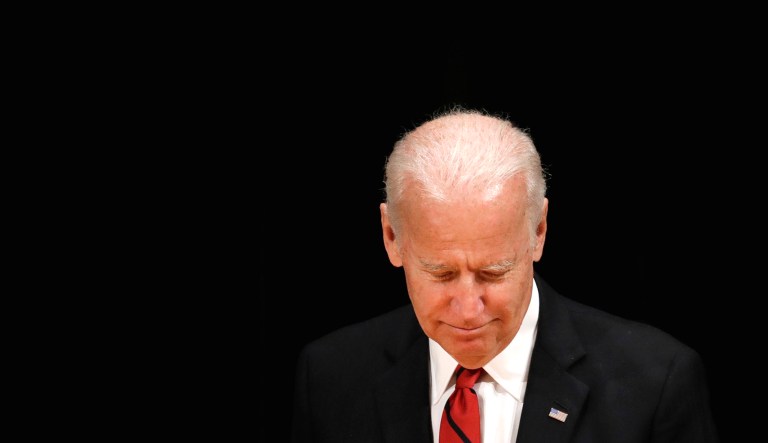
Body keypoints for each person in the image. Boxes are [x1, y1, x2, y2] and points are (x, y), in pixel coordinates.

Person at [290, 108, 718, 442]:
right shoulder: (331, 377)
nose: (468, 309)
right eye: (440, 273)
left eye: (493, 272)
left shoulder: (655, 384)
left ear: (539, 231)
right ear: (390, 238)